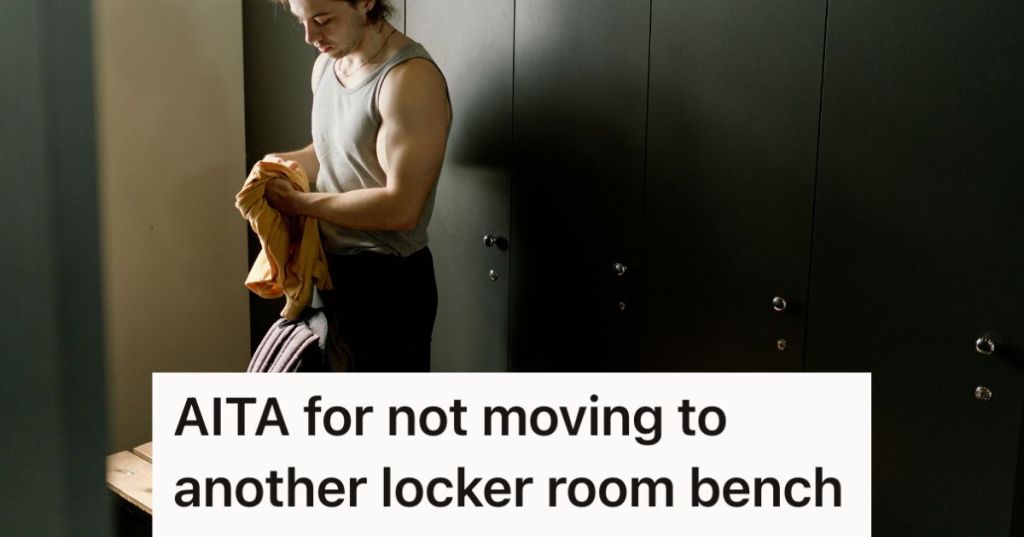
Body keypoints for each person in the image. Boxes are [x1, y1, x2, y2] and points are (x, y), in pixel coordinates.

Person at [263, 0, 451, 372]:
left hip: (387, 282)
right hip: (329, 270)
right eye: (301, 21)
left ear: (366, 2)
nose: (310, 36)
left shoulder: (409, 79)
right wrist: (275, 167)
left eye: (322, 20)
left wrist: (300, 204)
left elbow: (402, 207)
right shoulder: (327, 67)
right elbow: (334, 151)